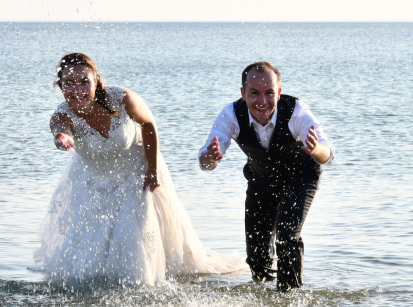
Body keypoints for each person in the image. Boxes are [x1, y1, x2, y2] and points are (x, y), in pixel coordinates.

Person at [35, 53, 245, 285]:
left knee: (133, 234)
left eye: (84, 81)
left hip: (137, 171)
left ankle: (140, 284)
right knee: (95, 242)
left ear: (96, 81)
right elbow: (60, 129)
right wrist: (61, 137)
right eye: (69, 84)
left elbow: (148, 124)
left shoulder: (122, 98)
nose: (78, 89)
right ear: (61, 86)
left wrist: (152, 169)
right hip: (95, 179)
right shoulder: (62, 114)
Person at [199, 61, 334, 291]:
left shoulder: (296, 111)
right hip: (261, 180)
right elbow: (205, 160)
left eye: (269, 93)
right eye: (254, 93)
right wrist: (210, 158)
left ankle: (291, 299)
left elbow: (327, 153)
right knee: (257, 254)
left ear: (278, 93)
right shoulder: (231, 114)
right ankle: (265, 300)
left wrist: (314, 150)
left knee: (287, 235)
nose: (262, 101)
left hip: (300, 177)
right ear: (243, 94)